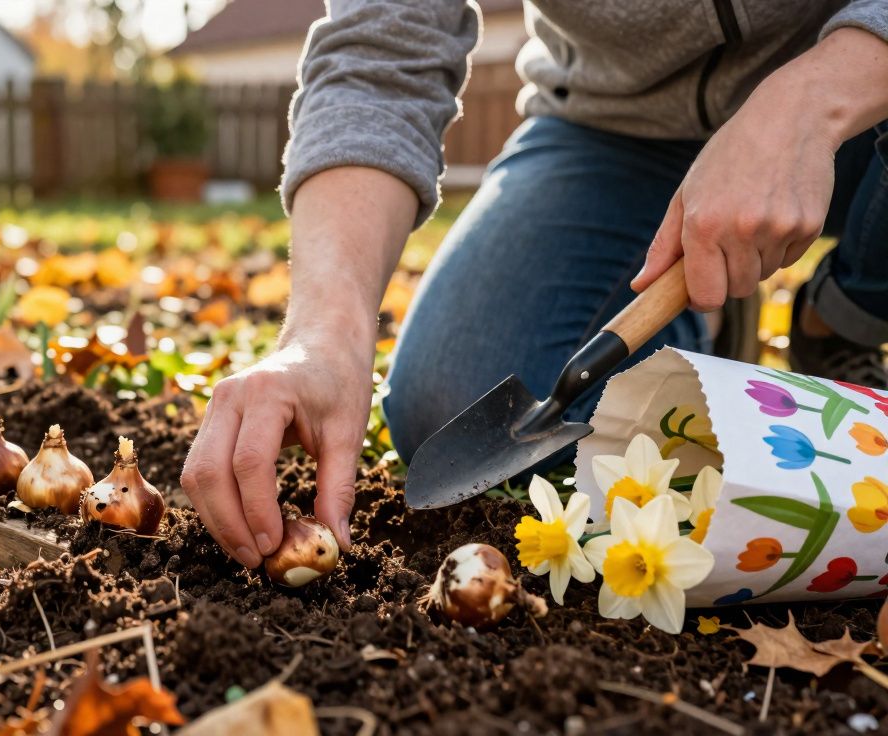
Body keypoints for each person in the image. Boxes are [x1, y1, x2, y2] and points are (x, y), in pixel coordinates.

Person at [180, 1, 888, 570]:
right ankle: (706, 310)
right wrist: (322, 332)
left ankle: (851, 311)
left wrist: (810, 99)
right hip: (616, 124)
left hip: (862, 91)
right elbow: (380, 53)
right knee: (447, 395)